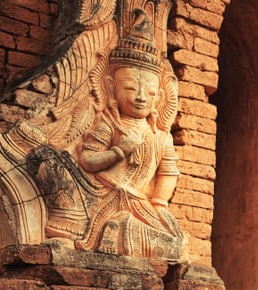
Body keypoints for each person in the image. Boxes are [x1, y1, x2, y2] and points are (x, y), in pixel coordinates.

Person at [75, 10, 185, 261]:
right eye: (131, 88)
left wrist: (159, 204)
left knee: (176, 246)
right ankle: (115, 229)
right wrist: (119, 150)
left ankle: (125, 229)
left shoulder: (160, 138)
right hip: (105, 196)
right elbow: (87, 160)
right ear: (111, 88)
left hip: (141, 205)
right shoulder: (110, 125)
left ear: (158, 96)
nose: (140, 97)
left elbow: (168, 172)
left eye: (149, 91)